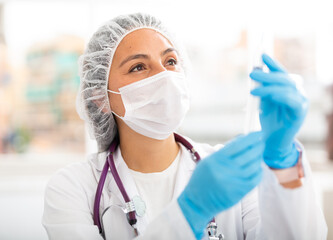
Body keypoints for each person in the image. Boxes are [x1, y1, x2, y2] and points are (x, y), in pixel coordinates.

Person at [42, 12, 327, 240]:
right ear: (100, 97)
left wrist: (284, 162)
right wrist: (190, 212)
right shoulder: (74, 187)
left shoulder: (228, 171)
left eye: (171, 60)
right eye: (139, 67)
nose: (165, 76)